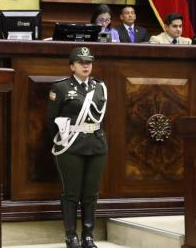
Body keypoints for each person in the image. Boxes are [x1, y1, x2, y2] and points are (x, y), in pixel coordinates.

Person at [46, 47, 108, 248]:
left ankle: (88, 237)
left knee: (91, 192)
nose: (86, 65)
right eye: (81, 62)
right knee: (71, 192)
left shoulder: (100, 87)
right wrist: (61, 141)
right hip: (70, 145)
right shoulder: (61, 87)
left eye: (89, 62)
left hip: (96, 144)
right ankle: (71, 237)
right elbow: (50, 120)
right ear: (72, 66)